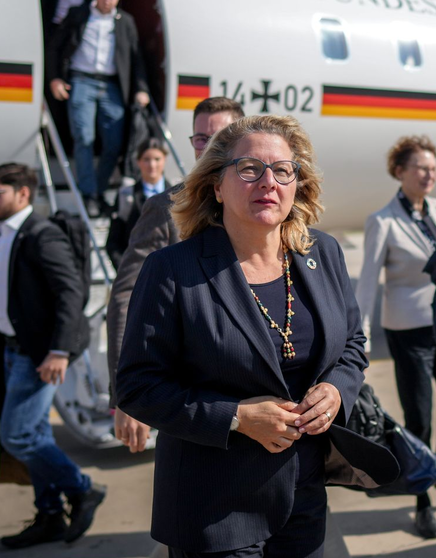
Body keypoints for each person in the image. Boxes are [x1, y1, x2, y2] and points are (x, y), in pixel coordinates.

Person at [117, 115, 374, 557]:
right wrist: (235, 416)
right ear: (217, 186)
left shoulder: (322, 253)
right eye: (249, 169)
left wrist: (336, 390)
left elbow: (352, 344)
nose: (268, 182)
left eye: (282, 170)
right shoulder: (172, 270)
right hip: (214, 508)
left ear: (297, 184)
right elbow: (138, 387)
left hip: (304, 498)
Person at [355, 135, 436, 539]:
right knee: (419, 420)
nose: (430, 175)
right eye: (421, 168)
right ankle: (423, 500)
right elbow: (368, 284)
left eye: (433, 168)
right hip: (407, 331)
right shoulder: (383, 220)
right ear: (400, 172)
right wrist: (362, 338)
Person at [0, 163, 105, 549]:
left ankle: (83, 489)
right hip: (14, 348)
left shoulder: (41, 235)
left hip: (40, 354)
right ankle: (49, 514)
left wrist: (59, 351)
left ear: (23, 194)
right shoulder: (6, 235)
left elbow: (69, 294)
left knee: (18, 435)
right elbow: (15, 284)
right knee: (37, 433)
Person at [106, 97, 244, 453]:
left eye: (221, 135)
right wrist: (126, 394)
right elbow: (125, 298)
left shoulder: (268, 203)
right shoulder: (166, 209)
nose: (209, 145)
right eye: (200, 138)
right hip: (195, 403)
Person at [47, 0, 151, 217]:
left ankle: (99, 189)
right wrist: (54, 78)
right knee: (83, 137)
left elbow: (136, 58)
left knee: (114, 141)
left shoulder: (125, 21)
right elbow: (55, 47)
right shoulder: (78, 14)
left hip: (111, 85)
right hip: (80, 80)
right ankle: (89, 193)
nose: (108, 2)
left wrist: (142, 89)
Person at [105, 138, 169, 267]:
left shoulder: (177, 195)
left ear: (164, 160)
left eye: (157, 159)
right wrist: (125, 269)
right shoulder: (126, 195)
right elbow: (113, 241)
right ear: (138, 162)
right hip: (136, 272)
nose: (152, 165)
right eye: (146, 159)